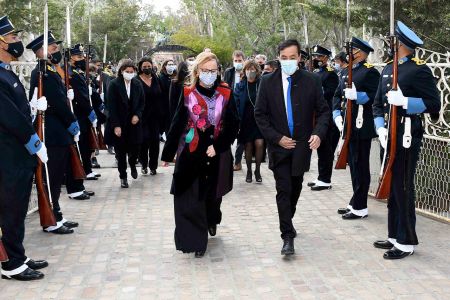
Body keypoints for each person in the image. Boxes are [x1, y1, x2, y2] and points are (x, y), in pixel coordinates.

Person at [372, 21, 440, 259]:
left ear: (400, 44)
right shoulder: (388, 68)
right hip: (387, 135)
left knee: (403, 187)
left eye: (392, 40)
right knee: (391, 184)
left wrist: (407, 103)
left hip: (407, 135)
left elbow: (434, 105)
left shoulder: (418, 70)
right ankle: (394, 235)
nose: (389, 44)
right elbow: (377, 105)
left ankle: (406, 241)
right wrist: (379, 128)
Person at [255, 39, 329, 256]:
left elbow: (323, 111)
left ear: (299, 58)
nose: (288, 61)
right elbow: (260, 115)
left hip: (301, 147)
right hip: (278, 147)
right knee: (283, 189)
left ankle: (288, 217)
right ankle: (287, 236)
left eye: (292, 57)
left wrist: (318, 133)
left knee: (295, 187)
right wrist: (277, 138)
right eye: (284, 58)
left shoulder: (311, 80)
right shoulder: (267, 82)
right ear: (279, 58)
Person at [161, 52, 239, 258]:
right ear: (197, 71)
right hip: (191, 150)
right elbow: (177, 122)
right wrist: (167, 153)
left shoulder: (226, 93)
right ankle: (196, 241)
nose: (209, 74)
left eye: (213, 71)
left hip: (217, 152)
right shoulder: (187, 93)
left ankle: (212, 220)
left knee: (213, 196)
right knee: (190, 197)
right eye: (205, 71)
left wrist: (219, 145)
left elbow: (233, 125)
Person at [0, 15, 48, 280]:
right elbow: (9, 118)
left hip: (17, 155)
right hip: (8, 156)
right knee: (11, 209)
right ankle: (11, 264)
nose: (18, 42)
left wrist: (32, 108)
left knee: (17, 208)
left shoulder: (6, 73)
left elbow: (18, 111)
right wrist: (34, 142)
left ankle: (18, 253)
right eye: (13, 37)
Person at [27, 32, 80, 234]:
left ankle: (56, 213)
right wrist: (72, 122)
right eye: (53, 48)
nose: (57, 51)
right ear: (41, 51)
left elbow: (60, 98)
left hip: (59, 131)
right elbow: (57, 103)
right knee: (51, 177)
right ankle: (51, 219)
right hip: (53, 132)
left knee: (57, 177)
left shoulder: (50, 71)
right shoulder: (42, 73)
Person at [332, 37, 380, 220]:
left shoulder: (370, 72)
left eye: (353, 50)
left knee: (360, 165)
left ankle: (360, 206)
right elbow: (337, 95)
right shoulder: (347, 72)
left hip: (362, 126)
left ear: (360, 53)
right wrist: (336, 115)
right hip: (348, 124)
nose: (349, 53)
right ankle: (355, 201)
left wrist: (358, 96)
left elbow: (377, 97)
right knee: (353, 164)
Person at [106, 59, 145, 188]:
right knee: (121, 152)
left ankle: (133, 164)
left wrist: (137, 115)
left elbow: (141, 103)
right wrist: (116, 125)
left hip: (134, 123)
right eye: (127, 71)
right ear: (122, 71)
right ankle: (123, 176)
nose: (129, 73)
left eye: (131, 71)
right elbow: (111, 106)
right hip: (120, 123)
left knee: (135, 149)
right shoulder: (114, 85)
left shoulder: (137, 84)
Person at [307, 45, 339, 191]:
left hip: (328, 115)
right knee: (321, 148)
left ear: (326, 58)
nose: (315, 59)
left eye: (319, 56)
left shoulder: (330, 74)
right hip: (319, 115)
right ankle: (321, 176)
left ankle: (326, 179)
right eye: (314, 56)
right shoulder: (317, 72)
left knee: (326, 149)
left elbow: (330, 94)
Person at [69, 44, 99, 181]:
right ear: (71, 58)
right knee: (82, 144)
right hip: (79, 113)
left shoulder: (78, 72)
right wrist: (90, 112)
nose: (82, 59)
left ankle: (88, 169)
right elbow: (81, 97)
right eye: (79, 56)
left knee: (86, 143)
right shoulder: (71, 73)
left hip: (84, 114)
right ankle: (85, 169)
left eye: (83, 56)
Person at [234, 60, 264, 183]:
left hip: (260, 121)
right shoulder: (240, 86)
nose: (250, 72)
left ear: (257, 71)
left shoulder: (262, 84)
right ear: (244, 71)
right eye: (248, 69)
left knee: (260, 144)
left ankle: (257, 169)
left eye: (253, 69)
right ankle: (249, 171)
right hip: (245, 121)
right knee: (248, 146)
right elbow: (236, 103)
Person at [137, 57, 163, 176]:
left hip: (156, 116)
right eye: (144, 67)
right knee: (144, 140)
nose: (147, 68)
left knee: (154, 141)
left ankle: (153, 166)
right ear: (140, 68)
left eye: (149, 66)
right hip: (142, 116)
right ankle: (143, 164)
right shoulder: (136, 80)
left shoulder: (156, 79)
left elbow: (161, 95)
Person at [223, 50, 245, 171]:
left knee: (241, 136)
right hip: (230, 107)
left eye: (240, 61)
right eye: (235, 61)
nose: (237, 63)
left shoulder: (246, 72)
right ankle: (228, 159)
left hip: (242, 107)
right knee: (228, 133)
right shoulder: (229, 72)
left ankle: (237, 162)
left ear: (243, 60)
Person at [159, 59, 177, 137]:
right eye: (169, 64)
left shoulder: (177, 77)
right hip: (165, 106)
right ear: (165, 66)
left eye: (172, 64)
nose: (171, 66)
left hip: (175, 105)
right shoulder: (161, 77)